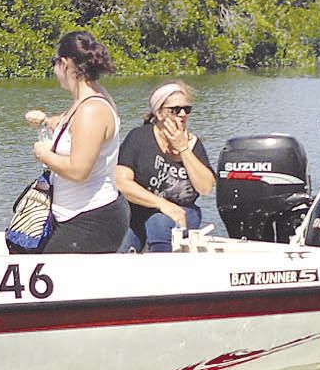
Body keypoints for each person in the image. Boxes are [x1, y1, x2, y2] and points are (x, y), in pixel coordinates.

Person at [27, 30, 128, 253]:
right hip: (74, 215)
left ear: (64, 63)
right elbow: (72, 129)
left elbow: (78, 170)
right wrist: (46, 121)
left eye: (54, 63)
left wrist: (43, 154)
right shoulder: (86, 100)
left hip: (92, 218)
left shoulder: (91, 109)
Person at [114, 81, 215, 252]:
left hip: (184, 212)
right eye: (175, 110)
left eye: (187, 109)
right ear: (159, 113)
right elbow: (121, 182)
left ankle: (163, 273)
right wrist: (162, 204)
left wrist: (183, 149)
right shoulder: (139, 138)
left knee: (159, 223)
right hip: (140, 210)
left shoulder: (193, 144)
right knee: (122, 245)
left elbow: (206, 188)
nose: (182, 114)